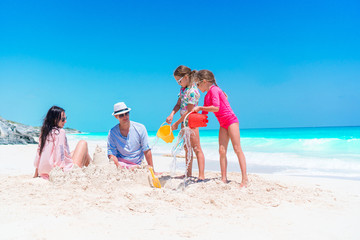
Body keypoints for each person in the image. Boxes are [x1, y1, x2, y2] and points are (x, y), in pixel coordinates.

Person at [192, 70, 248, 187]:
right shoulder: (207, 96)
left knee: (237, 149)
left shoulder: (215, 90)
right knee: (222, 151)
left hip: (231, 120)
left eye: (197, 84)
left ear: (204, 81)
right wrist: (193, 120)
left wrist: (201, 107)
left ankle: (244, 179)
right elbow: (204, 114)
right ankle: (223, 178)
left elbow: (216, 108)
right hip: (222, 123)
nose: (197, 86)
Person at [166, 65, 205, 180]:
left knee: (196, 148)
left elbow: (189, 112)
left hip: (192, 122)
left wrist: (177, 123)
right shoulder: (183, 89)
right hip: (184, 122)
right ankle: (188, 173)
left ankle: (201, 175)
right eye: (176, 81)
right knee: (187, 148)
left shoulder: (192, 91)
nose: (178, 83)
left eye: (179, 80)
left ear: (186, 77)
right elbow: (178, 105)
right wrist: (171, 114)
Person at [34, 106, 91, 179]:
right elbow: (60, 153)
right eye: (63, 119)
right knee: (83, 143)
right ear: (55, 119)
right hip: (62, 173)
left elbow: (38, 154)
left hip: (44, 174)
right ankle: (96, 170)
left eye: (65, 118)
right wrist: (60, 173)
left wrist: (36, 174)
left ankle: (94, 168)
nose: (65, 121)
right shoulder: (60, 132)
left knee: (77, 152)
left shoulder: (44, 133)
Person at [107, 102, 155, 170]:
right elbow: (111, 154)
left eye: (126, 113)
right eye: (121, 115)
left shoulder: (140, 128)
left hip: (138, 164)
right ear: (116, 116)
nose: (125, 116)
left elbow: (146, 149)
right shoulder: (112, 132)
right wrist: (118, 167)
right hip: (121, 164)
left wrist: (152, 169)